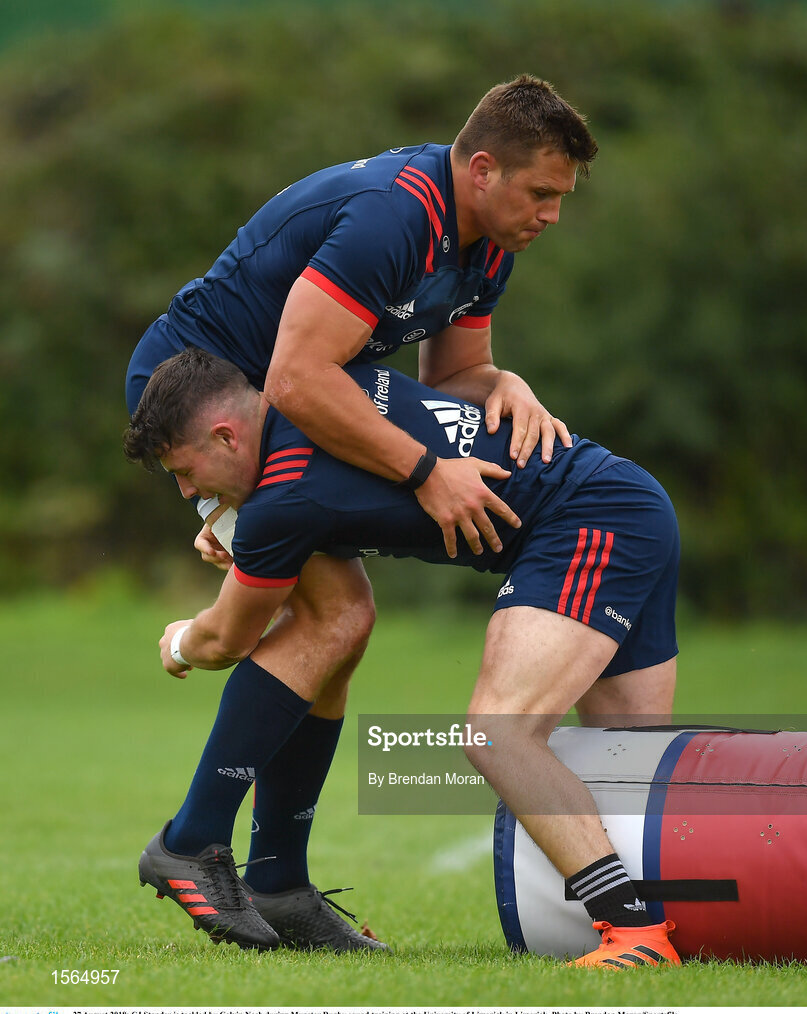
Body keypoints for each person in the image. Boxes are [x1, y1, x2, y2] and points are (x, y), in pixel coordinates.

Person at [124, 75, 599, 949]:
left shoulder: (487, 241)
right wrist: (426, 472)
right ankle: (192, 842)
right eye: (541, 193)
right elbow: (297, 378)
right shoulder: (396, 216)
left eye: (560, 198)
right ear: (483, 168)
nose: (551, 215)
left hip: (286, 405)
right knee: (339, 617)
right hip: (211, 408)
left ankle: (277, 883)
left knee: (341, 631)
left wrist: (511, 383)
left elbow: (454, 377)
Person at [124, 348, 683, 969]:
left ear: (226, 435)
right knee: (626, 762)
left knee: (500, 734)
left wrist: (178, 642)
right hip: (629, 496)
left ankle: (637, 935)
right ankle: (688, 915)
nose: (186, 491)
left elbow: (226, 639)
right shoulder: (328, 387)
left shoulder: (283, 501)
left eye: (184, 469)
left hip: (587, 522)